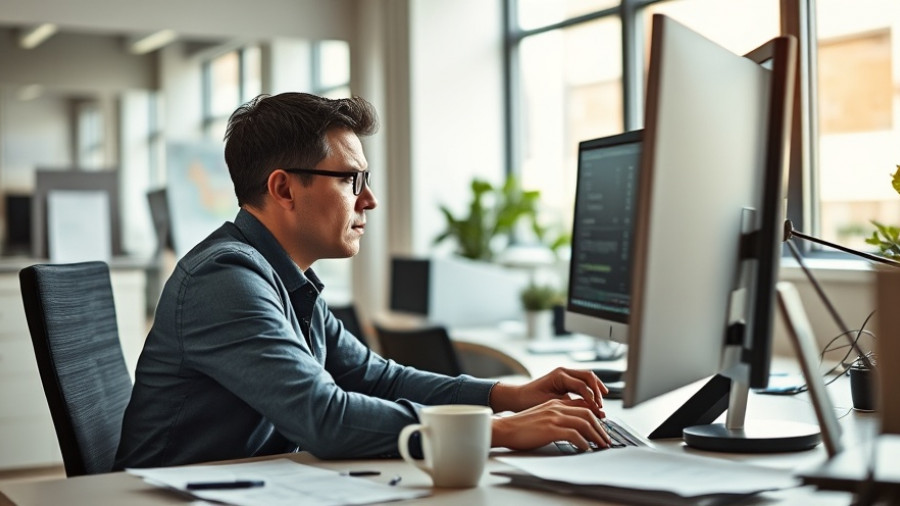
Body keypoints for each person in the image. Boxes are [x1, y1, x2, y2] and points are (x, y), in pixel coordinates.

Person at [114, 92, 611, 470]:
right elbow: (325, 419)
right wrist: (497, 430)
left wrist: (508, 396)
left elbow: (376, 378)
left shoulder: (286, 278)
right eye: (351, 180)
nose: (369, 200)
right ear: (284, 188)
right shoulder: (225, 279)